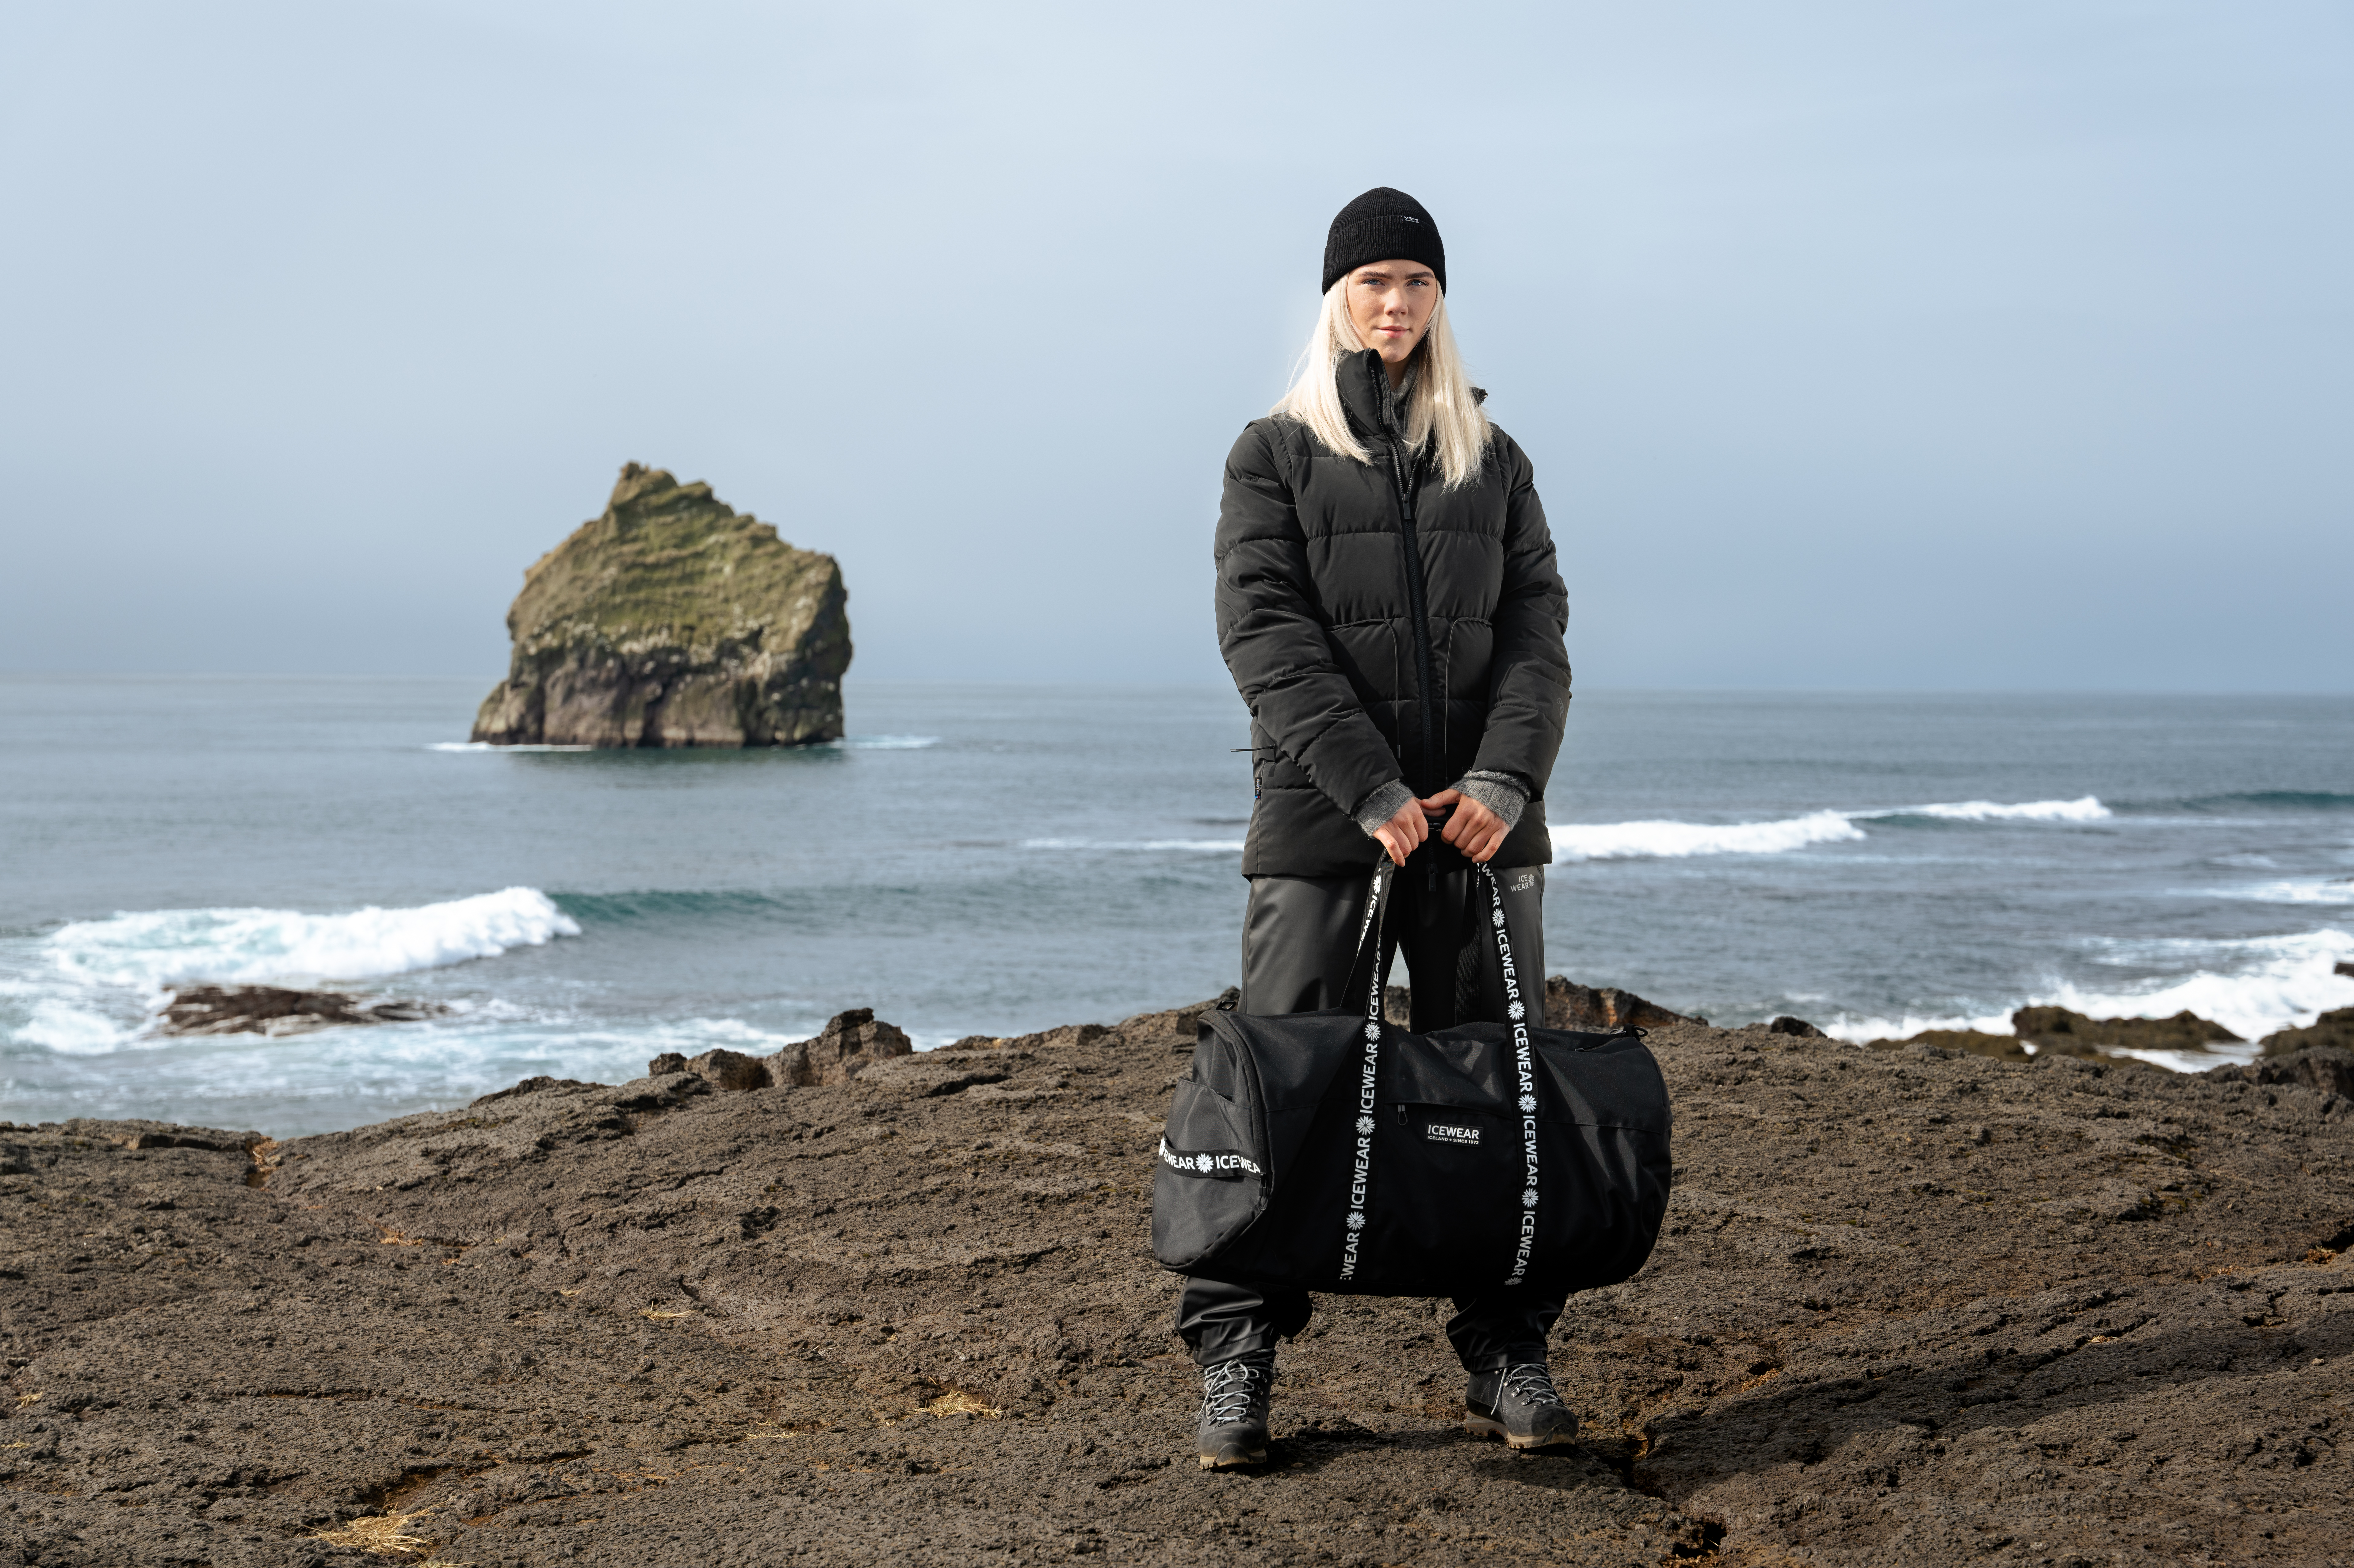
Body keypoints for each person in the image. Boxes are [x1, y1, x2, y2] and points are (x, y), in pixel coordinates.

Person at [1190, 186, 1574, 1469]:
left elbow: (1537, 640)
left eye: (1414, 282)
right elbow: (1268, 639)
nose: (1395, 304)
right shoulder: (1273, 455)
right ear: (1335, 300)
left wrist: (1503, 785)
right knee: (1277, 1097)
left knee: (1496, 1092)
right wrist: (1370, 791)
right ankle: (1238, 1354)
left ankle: (1508, 1345)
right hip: (1325, 831)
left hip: (1473, 837)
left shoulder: (1495, 460)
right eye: (1372, 283)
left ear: (1438, 300)